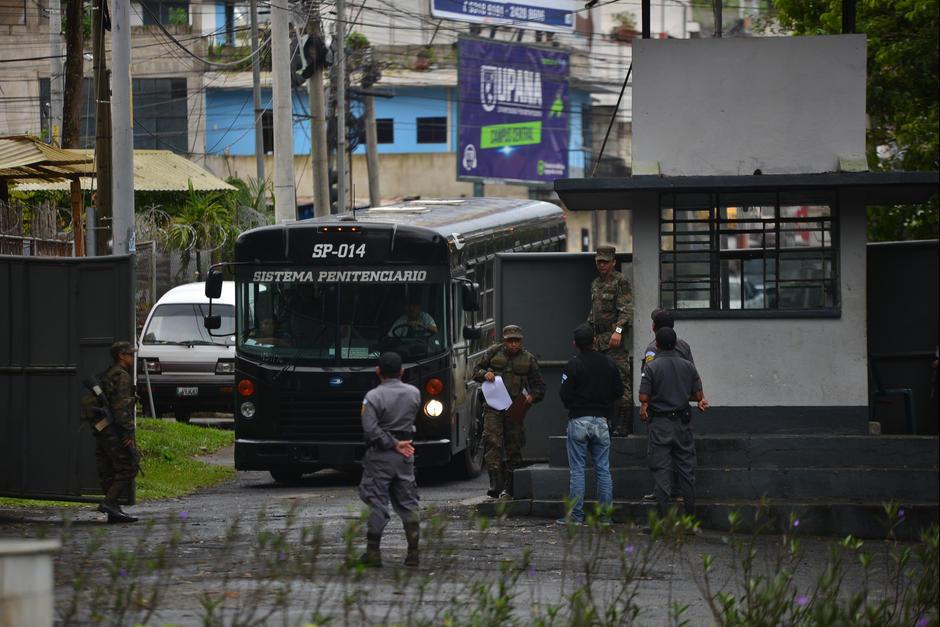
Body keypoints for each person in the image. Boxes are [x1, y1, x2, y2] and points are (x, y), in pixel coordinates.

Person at [357, 351, 422, 568]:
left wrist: (392, 443)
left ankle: (373, 553)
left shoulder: (373, 397)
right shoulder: (414, 393)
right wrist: (400, 444)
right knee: (408, 502)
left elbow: (370, 429)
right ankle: (413, 553)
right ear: (402, 372)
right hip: (406, 455)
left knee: (377, 502)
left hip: (380, 456)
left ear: (378, 372)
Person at [638, 327, 708, 518]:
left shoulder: (651, 367)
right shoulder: (688, 366)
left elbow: (643, 396)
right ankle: (690, 521)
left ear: (657, 344)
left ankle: (663, 522)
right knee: (687, 473)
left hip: (660, 424)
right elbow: (698, 395)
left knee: (662, 472)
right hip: (682, 424)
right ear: (676, 344)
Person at [557, 323, 623, 525]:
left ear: (574, 343)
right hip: (601, 420)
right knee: (603, 469)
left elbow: (564, 394)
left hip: (579, 419)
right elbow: (618, 392)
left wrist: (575, 406)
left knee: (577, 470)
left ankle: (576, 516)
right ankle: (605, 516)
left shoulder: (573, 364)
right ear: (595, 340)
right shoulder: (609, 363)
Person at [472, 324, 546, 498]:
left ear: (521, 341)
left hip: (515, 407)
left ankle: (511, 487)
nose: (513, 344)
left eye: (517, 340)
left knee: (513, 446)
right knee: (492, 441)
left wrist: (532, 397)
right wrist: (484, 374)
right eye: (510, 340)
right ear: (504, 341)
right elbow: (475, 371)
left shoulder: (528, 359)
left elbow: (539, 386)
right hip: (493, 406)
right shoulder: (493, 352)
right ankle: (495, 484)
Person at [588, 245, 634, 436]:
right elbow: (593, 312)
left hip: (614, 341)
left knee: (621, 380)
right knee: (600, 382)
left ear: (613, 262)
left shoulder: (620, 281)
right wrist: (589, 333)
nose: (602, 265)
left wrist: (618, 331)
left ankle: (623, 424)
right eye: (599, 261)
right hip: (598, 340)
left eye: (605, 262)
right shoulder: (595, 284)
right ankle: (604, 421)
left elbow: (626, 310)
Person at [94, 341, 141, 524]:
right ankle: (109, 503)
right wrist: (127, 434)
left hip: (103, 428)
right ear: (121, 355)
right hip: (115, 429)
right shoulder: (122, 376)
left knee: (108, 469)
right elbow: (120, 408)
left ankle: (113, 511)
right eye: (130, 354)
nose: (133, 358)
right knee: (129, 466)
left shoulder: (109, 373)